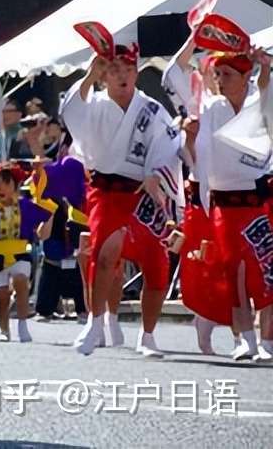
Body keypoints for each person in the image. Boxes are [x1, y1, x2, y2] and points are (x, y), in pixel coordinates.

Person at [61, 36, 181, 358]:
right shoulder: (95, 105)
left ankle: (148, 335)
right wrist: (89, 75)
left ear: (137, 71)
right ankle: (95, 323)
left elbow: (169, 145)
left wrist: (156, 173)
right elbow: (71, 112)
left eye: (128, 69)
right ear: (105, 74)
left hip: (143, 193)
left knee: (156, 266)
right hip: (106, 190)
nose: (122, 75)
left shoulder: (152, 110)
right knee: (104, 253)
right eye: (114, 69)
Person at [164, 18, 272, 360]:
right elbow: (173, 76)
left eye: (227, 75)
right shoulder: (211, 107)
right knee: (233, 268)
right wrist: (194, 39)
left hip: (258, 200)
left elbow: (267, 92)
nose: (220, 80)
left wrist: (264, 66)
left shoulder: (259, 100)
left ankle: (267, 341)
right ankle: (246, 339)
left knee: (263, 270)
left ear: (245, 77)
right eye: (218, 74)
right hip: (224, 203)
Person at [0, 164, 55, 342]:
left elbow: (47, 214)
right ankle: (4, 331)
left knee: (21, 281)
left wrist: (44, 228)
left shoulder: (25, 206)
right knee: (2, 297)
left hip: (21, 253)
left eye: (5, 183)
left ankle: (22, 326)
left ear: (15, 185)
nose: (0, 188)